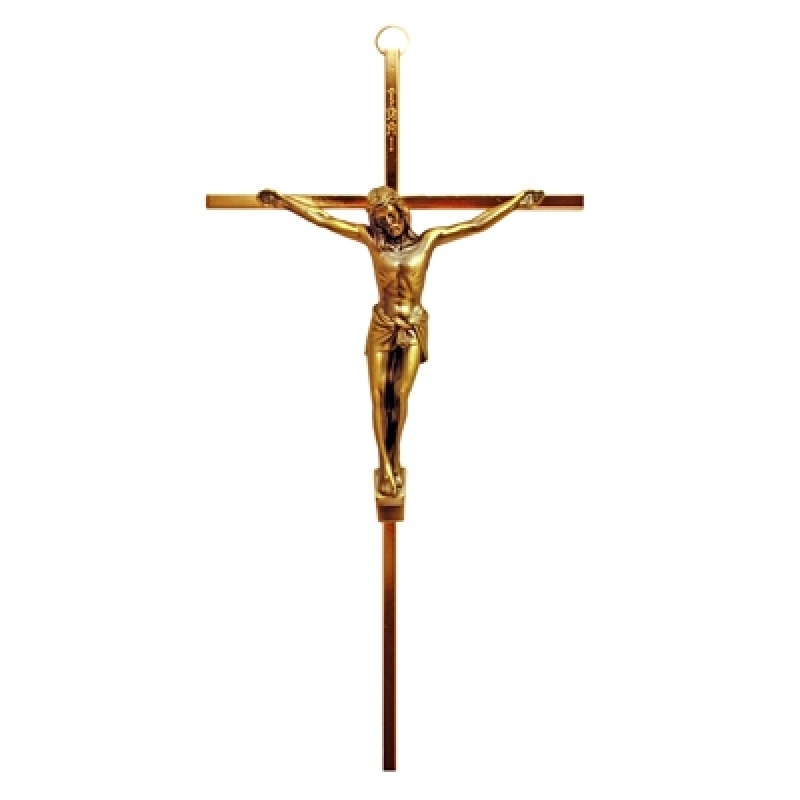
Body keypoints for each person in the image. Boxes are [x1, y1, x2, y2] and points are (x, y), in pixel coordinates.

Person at [257, 186, 544, 496]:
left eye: (393, 216)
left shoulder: (428, 240)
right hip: (382, 324)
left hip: (412, 325)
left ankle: (395, 457)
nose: (390, 223)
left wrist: (516, 202)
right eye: (382, 220)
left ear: (403, 212)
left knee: (401, 394)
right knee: (378, 396)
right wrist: (284, 201)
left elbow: (475, 224)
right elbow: (323, 219)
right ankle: (386, 465)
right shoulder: (372, 241)